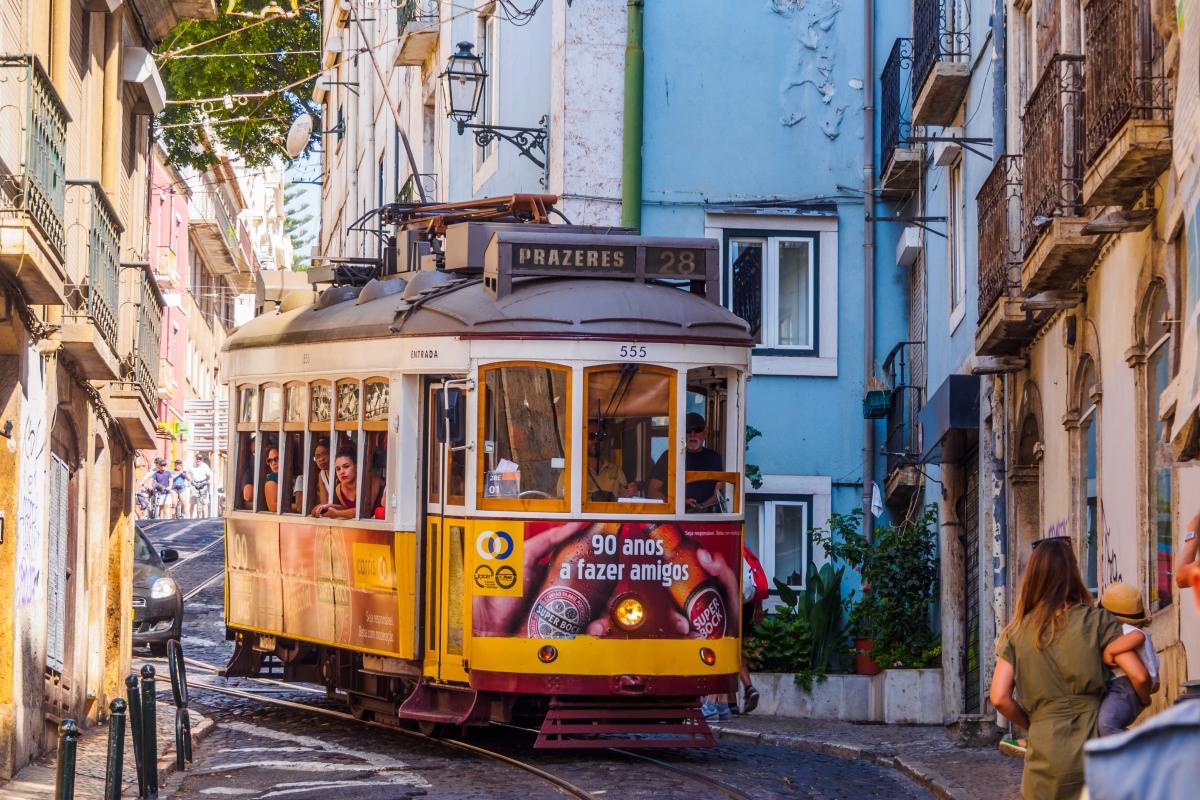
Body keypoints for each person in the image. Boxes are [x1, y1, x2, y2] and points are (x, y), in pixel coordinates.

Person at [989, 537, 1151, 799]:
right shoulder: (1098, 621)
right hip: (1093, 745)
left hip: (1044, 749)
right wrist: (1143, 700)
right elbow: (1139, 674)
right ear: (1073, 574)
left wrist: (1034, 724)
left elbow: (999, 697)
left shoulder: (1015, 633)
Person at [1096, 581, 1159, 736]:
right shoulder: (1133, 630)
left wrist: (1109, 651)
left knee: (1107, 725)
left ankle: (1139, 747)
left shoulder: (1125, 630)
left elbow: (1138, 637)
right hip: (1132, 686)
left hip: (1125, 685)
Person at [647, 412, 723, 511]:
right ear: (681, 432)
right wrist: (677, 503)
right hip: (675, 518)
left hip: (707, 518)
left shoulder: (715, 458)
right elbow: (652, 491)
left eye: (697, 429)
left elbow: (719, 493)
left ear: (706, 431)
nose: (692, 434)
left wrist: (702, 507)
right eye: (688, 430)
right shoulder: (669, 457)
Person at [311, 447, 383, 520]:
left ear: (356, 467)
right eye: (338, 469)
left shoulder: (371, 482)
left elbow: (363, 512)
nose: (342, 472)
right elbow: (347, 509)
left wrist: (336, 514)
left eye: (346, 466)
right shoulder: (339, 489)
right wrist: (328, 506)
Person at [570, 426, 636, 501]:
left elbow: (625, 499)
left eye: (600, 437)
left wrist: (631, 492)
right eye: (591, 436)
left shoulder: (616, 471)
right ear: (582, 440)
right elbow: (564, 500)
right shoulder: (572, 471)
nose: (596, 440)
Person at [293, 437, 332, 513]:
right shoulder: (322, 474)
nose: (321, 459)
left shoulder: (340, 472)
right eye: (317, 457)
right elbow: (324, 503)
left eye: (324, 454)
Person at [187, 453, 213, 518]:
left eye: (200, 459)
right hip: (194, 484)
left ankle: (206, 517)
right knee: (192, 502)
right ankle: (190, 518)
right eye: (197, 458)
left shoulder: (205, 466)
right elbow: (187, 474)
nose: (198, 460)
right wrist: (189, 480)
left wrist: (209, 480)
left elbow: (210, 474)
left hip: (203, 484)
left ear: (202, 459)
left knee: (204, 502)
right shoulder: (191, 466)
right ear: (195, 458)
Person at [262, 447, 280, 513]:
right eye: (270, 461)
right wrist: (297, 506)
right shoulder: (271, 478)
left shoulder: (293, 477)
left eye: (276, 459)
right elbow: (273, 507)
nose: (273, 463)